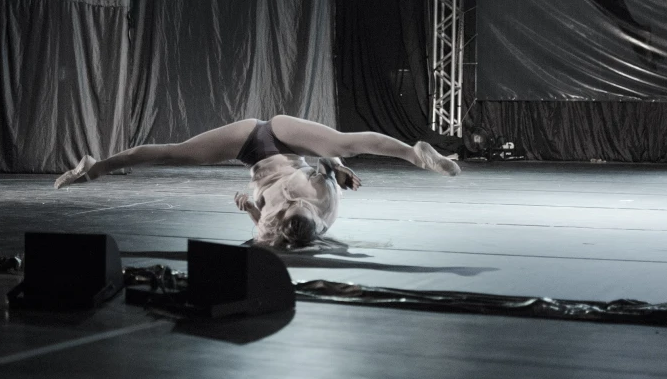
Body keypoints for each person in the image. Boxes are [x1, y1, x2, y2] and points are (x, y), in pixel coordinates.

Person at [54, 115, 460, 247]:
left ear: (283, 223)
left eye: (286, 215)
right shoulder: (327, 207)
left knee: (172, 152)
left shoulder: (272, 228)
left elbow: (258, 230)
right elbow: (327, 156)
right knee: (345, 144)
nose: (292, 208)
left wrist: (250, 209)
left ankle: (94, 166)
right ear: (312, 222)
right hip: (285, 137)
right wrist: (337, 167)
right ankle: (414, 152)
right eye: (297, 211)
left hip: (250, 146)